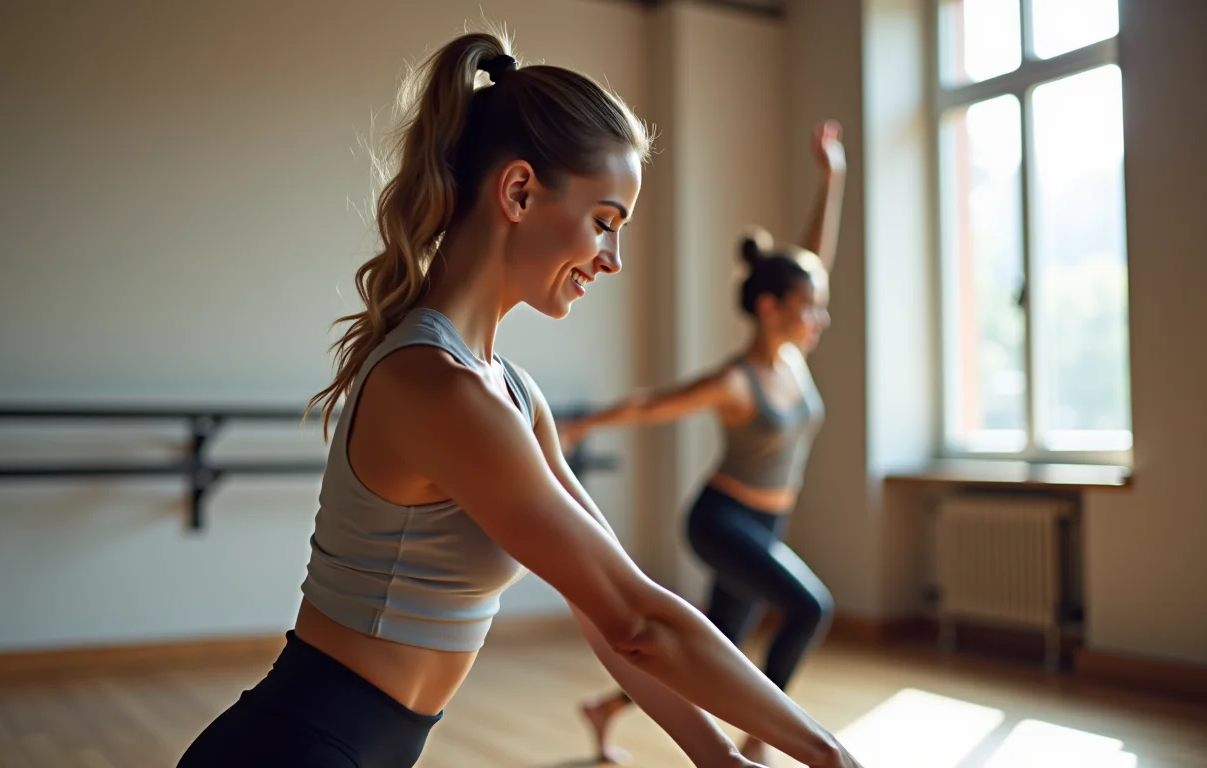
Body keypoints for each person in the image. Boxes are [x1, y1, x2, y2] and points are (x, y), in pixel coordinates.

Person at [176, 29, 862, 768]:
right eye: (605, 222)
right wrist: (828, 754)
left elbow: (606, 613)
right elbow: (640, 620)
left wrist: (715, 754)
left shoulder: (508, 390)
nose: (614, 258)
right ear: (518, 191)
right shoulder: (438, 387)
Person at [560, 121, 846, 766]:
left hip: (768, 525)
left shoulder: (795, 358)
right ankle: (765, 740)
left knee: (709, 652)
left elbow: (812, 263)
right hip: (722, 521)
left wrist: (833, 180)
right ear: (771, 307)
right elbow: (650, 404)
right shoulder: (735, 382)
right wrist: (579, 427)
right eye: (810, 306)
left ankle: (605, 709)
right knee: (809, 608)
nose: (820, 316)